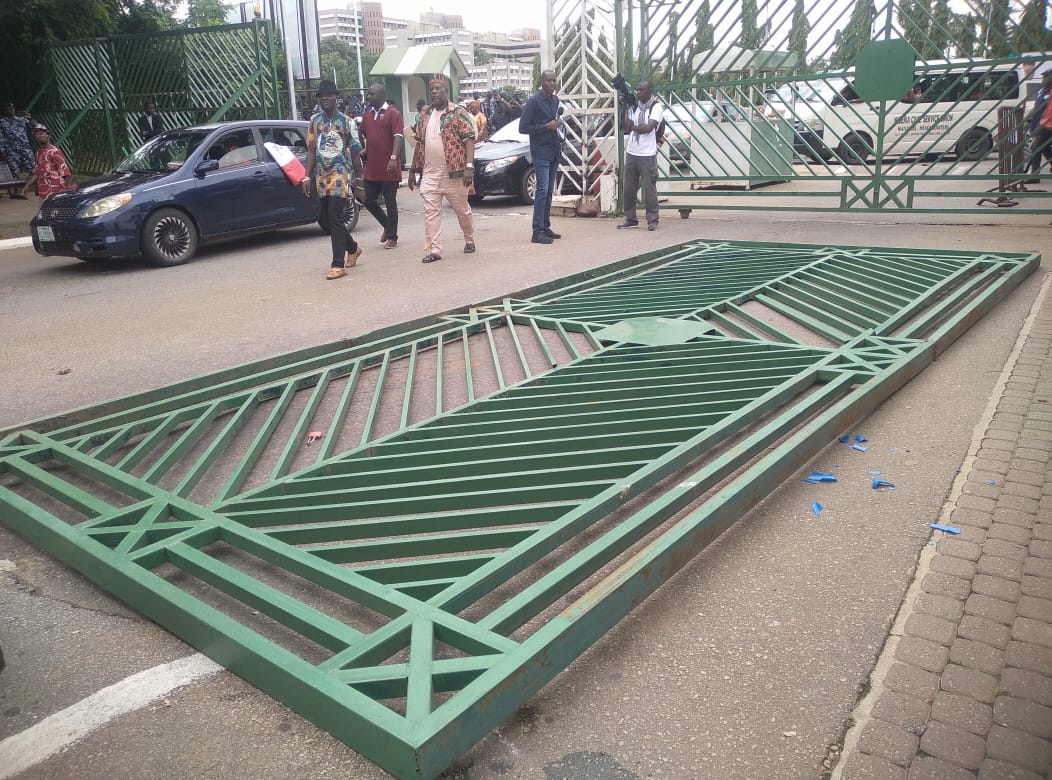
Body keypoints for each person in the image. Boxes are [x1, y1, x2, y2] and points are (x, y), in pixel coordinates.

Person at [407, 74, 476, 264]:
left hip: (454, 174)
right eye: (432, 89)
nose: (435, 92)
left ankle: (469, 239)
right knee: (431, 212)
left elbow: (469, 139)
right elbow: (419, 144)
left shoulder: (458, 113)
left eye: (439, 88)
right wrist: (413, 171)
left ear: (447, 90)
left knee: (463, 211)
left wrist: (469, 167)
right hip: (430, 173)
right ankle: (435, 250)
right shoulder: (424, 115)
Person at [302, 79, 365, 280]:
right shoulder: (315, 122)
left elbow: (355, 154)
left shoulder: (347, 122)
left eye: (328, 95)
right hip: (321, 175)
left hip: (340, 173)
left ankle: (338, 264)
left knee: (336, 217)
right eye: (321, 96)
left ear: (336, 98)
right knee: (330, 220)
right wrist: (306, 176)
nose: (325, 99)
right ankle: (353, 248)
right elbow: (311, 150)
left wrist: (359, 183)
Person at [519, 69, 565, 245]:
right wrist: (546, 127)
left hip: (554, 150)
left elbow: (553, 121)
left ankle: (545, 226)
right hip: (540, 151)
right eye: (549, 81)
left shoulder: (555, 100)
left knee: (548, 192)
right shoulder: (534, 102)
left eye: (554, 80)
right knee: (542, 190)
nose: (552, 84)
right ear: (542, 82)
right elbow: (523, 128)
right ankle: (537, 231)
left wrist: (556, 127)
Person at [358, 83, 404, 249]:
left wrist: (393, 157)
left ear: (381, 95)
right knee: (368, 200)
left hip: (389, 167)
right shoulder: (367, 115)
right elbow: (363, 133)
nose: (368, 97)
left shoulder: (393, 113)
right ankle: (387, 225)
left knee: (391, 202)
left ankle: (392, 236)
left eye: (371, 94)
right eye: (368, 94)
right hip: (372, 167)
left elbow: (398, 137)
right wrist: (365, 148)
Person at [617, 78, 664, 231]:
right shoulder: (635, 106)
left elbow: (648, 128)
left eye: (641, 90)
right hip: (632, 152)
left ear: (650, 91)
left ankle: (652, 220)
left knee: (649, 189)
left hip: (647, 154)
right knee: (629, 188)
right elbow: (625, 127)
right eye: (636, 89)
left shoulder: (656, 107)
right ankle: (630, 219)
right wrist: (624, 106)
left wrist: (633, 127)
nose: (638, 92)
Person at [22, 125, 75, 201]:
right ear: (35, 137)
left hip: (56, 189)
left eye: (43, 133)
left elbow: (65, 172)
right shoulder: (38, 153)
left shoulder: (55, 152)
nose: (41, 136)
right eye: (38, 134)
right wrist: (28, 185)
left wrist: (68, 188)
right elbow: (38, 172)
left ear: (48, 135)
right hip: (43, 190)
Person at [0, 102, 34, 197]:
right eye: (8, 109)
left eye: (12, 109)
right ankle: (17, 192)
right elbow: (1, 138)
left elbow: (34, 125)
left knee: (33, 169)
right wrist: (2, 151)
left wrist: (30, 118)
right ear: (4, 111)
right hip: (12, 151)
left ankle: (30, 186)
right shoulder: (2, 122)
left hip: (25, 148)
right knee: (15, 171)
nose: (11, 110)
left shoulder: (21, 120)